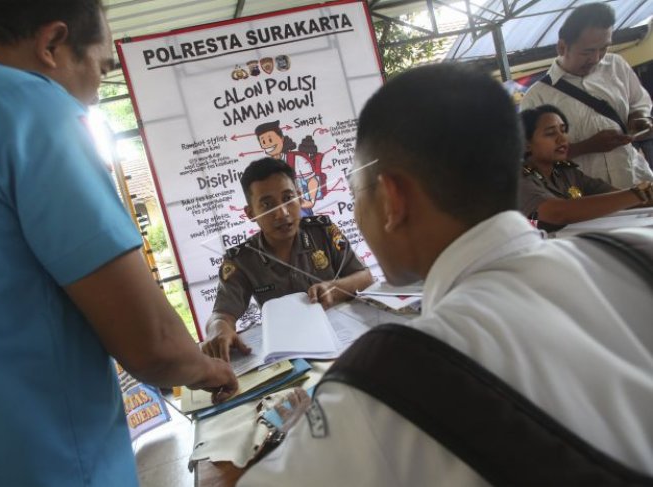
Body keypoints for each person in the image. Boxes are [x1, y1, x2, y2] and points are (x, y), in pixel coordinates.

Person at [238, 64, 653, 486]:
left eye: (357, 189)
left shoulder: (379, 388)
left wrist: (304, 430)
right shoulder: (635, 254)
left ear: (392, 198)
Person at [0, 1, 237, 485]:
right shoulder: (26, 107)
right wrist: (210, 372)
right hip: (43, 463)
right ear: (52, 45)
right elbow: (151, 343)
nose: (93, 97)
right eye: (101, 67)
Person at [202, 157, 372, 361]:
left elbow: (365, 276)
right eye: (267, 205)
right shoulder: (242, 260)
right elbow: (222, 314)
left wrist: (334, 288)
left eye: (288, 198)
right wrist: (218, 329)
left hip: (345, 343)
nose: (282, 213)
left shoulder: (323, 232)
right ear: (251, 213)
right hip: (289, 355)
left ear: (300, 198)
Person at [520, 2, 653, 188]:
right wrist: (588, 146)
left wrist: (639, 118)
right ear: (562, 47)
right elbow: (534, 158)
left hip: (636, 180)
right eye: (587, 51)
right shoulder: (537, 98)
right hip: (586, 197)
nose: (597, 58)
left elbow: (639, 103)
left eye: (604, 48)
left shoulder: (616, 66)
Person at [519, 104, 653, 231]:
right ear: (526, 144)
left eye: (563, 130)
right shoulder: (516, 178)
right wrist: (640, 193)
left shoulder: (564, 171)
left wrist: (646, 194)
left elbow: (616, 197)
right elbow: (558, 213)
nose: (562, 139)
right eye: (550, 133)